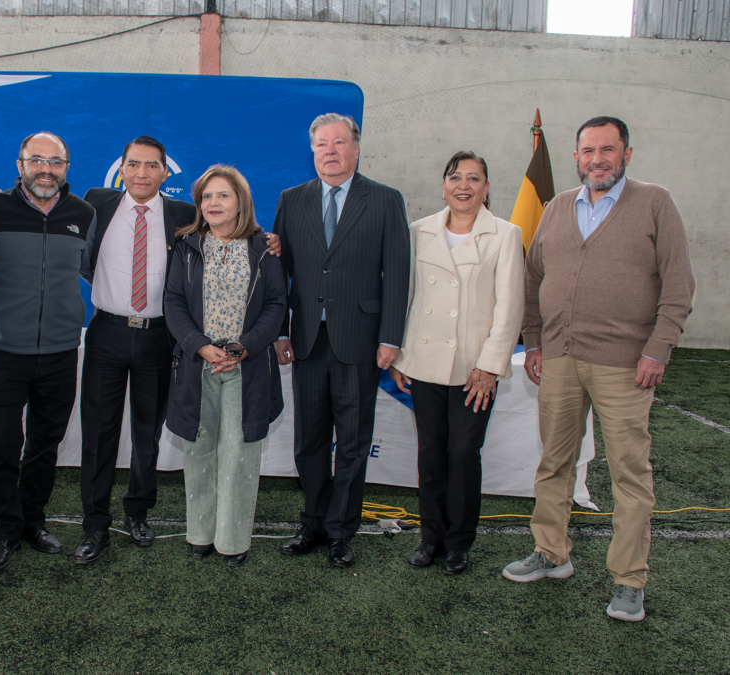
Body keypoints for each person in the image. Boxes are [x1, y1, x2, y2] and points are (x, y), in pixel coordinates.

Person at [502, 116, 694, 622]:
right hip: (559, 360)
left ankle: (629, 581)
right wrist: (537, 340)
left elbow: (678, 286)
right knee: (553, 463)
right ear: (576, 157)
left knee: (630, 475)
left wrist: (659, 349)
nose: (597, 160)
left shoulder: (655, 203)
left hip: (626, 365)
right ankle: (551, 553)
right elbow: (533, 275)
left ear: (627, 154)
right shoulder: (560, 206)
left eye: (608, 150)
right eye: (588, 151)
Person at [272, 113, 410, 568]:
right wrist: (280, 331)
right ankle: (312, 522)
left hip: (361, 341)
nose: (329, 151)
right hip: (308, 341)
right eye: (321, 145)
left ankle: (341, 532)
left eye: (338, 143)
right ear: (312, 151)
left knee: (352, 442)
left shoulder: (386, 200)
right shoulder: (292, 201)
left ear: (356, 148)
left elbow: (397, 276)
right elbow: (278, 275)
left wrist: (391, 337)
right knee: (308, 441)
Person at [390, 151, 524, 575]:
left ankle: (459, 541)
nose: (463, 185)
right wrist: (401, 354)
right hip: (425, 361)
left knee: (464, 451)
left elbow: (510, 308)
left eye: (474, 178)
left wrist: (489, 365)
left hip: (474, 369)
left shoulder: (505, 234)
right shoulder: (418, 231)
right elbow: (407, 298)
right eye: (455, 177)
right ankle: (431, 538)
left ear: (486, 188)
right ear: (443, 185)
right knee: (430, 453)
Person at [0, 132, 96, 572]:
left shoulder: (83, 212)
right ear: (20, 163)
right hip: (6, 352)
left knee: (45, 446)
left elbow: (99, 267)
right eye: (36, 160)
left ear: (67, 167)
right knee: (4, 446)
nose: (46, 169)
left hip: (62, 352)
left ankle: (32, 521)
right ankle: (5, 528)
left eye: (56, 161)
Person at [73, 137, 196, 562]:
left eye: (151, 166)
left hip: (159, 338)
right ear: (121, 168)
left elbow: (226, 234)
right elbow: (81, 258)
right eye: (133, 164)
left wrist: (266, 241)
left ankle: (138, 512)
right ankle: (94, 523)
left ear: (165, 172)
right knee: (99, 433)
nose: (141, 173)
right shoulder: (96, 204)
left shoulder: (183, 214)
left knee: (148, 434)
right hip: (106, 333)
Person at [164, 165, 287, 566]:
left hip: (244, 367)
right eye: (206, 196)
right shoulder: (186, 247)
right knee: (199, 451)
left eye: (223, 195)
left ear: (241, 202)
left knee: (239, 455)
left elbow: (276, 305)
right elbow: (173, 303)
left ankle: (233, 541)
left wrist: (243, 348)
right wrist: (200, 347)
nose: (213, 203)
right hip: (198, 364)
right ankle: (199, 534)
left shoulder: (263, 247)